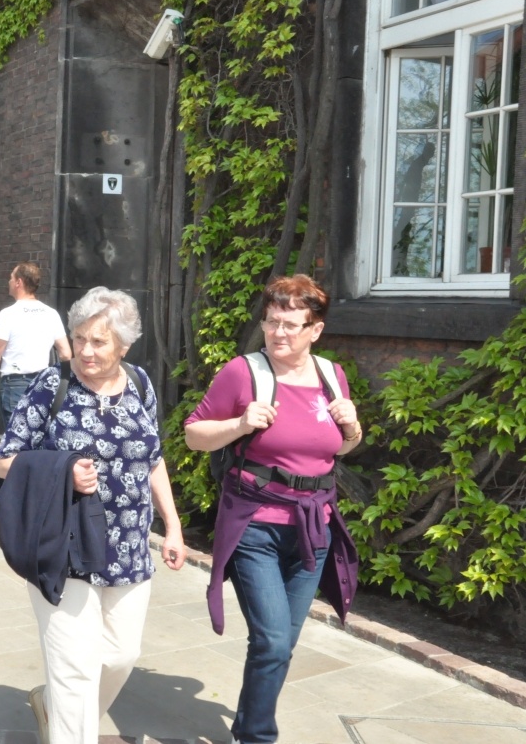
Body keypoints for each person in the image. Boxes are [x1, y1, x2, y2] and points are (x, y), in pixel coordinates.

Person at [0, 286, 184, 743]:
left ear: (124, 345)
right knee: (75, 671)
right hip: (64, 545)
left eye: (99, 341)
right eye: (79, 338)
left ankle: (53, 708)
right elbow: (5, 460)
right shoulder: (52, 385)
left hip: (129, 547)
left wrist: (173, 526)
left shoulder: (140, 382)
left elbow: (153, 458)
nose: (85, 351)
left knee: (120, 656)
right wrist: (63, 472)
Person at [184, 274, 361, 744]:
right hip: (255, 527)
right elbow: (194, 434)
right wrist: (240, 424)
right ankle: (258, 737)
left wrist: (354, 428)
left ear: (315, 330)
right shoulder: (243, 372)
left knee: (279, 645)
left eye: (290, 325)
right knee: (273, 640)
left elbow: (339, 448)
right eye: (271, 322)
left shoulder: (331, 375)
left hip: (314, 529)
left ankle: (248, 726)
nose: (278, 333)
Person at [0, 263, 72, 509]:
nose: (9, 281)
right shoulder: (51, 313)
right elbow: (65, 352)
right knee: (39, 440)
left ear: (19, 282)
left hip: (15, 383)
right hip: (44, 384)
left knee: (15, 444)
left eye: (11, 277)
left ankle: (15, 500)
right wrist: (63, 383)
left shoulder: (9, 314)